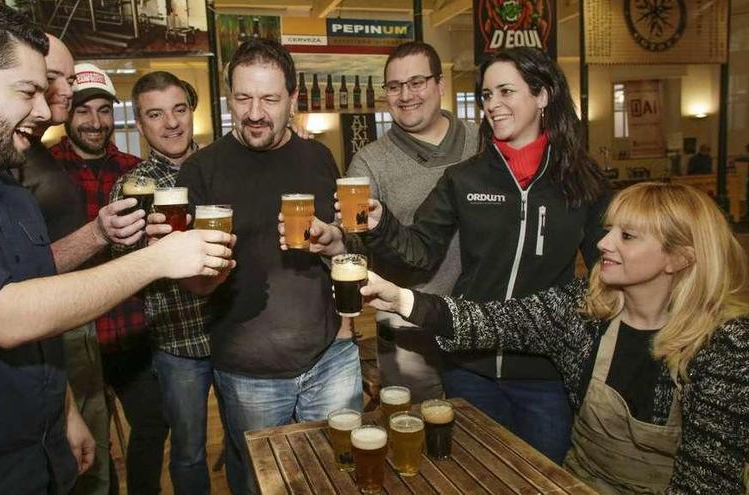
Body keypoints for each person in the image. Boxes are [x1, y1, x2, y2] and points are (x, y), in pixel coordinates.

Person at [0, 1, 235, 492]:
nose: (44, 110)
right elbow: (4, 314)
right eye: (28, 91)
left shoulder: (6, 185)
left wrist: (62, 411)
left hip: (35, 455)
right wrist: (157, 258)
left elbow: (37, 298)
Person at [307, 46, 611, 463]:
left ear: (542, 95)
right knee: (473, 475)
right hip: (471, 365)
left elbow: (608, 270)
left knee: (544, 479)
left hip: (545, 371)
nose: (494, 105)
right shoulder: (465, 177)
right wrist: (382, 224)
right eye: (487, 96)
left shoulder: (583, 180)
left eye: (506, 92)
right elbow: (420, 252)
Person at [362, 182, 749, 494]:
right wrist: (400, 298)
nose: (603, 243)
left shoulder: (723, 343)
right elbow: (493, 320)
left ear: (679, 259)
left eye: (627, 236)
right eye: (609, 229)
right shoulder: (586, 309)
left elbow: (708, 479)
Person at [176, 38, 363, 495]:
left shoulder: (318, 156)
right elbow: (194, 285)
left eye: (269, 99)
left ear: (294, 100)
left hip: (331, 360)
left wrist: (332, 240)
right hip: (249, 374)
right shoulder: (200, 170)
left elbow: (344, 244)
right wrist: (200, 270)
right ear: (228, 99)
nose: (255, 112)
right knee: (263, 484)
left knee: (339, 478)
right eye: (243, 98)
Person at [49, 62, 169, 494]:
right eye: (85, 111)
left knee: (154, 423)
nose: (96, 122)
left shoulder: (134, 170)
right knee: (90, 444)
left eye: (104, 110)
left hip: (131, 327)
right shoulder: (44, 169)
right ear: (67, 113)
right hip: (74, 334)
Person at [343, 41, 478, 402]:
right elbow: (352, 242)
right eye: (394, 86)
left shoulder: (482, 141)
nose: (406, 95)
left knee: (483, 431)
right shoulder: (369, 163)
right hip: (406, 321)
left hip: (480, 314)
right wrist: (336, 239)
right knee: (414, 429)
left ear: (440, 85)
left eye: (416, 82)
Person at [109, 71, 211, 495]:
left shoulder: (224, 163)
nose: (171, 123)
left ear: (191, 112)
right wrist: (147, 251)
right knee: (188, 452)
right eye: (156, 114)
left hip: (240, 335)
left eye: (179, 110)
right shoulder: (134, 187)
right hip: (179, 342)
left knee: (245, 443)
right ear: (139, 125)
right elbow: (121, 266)